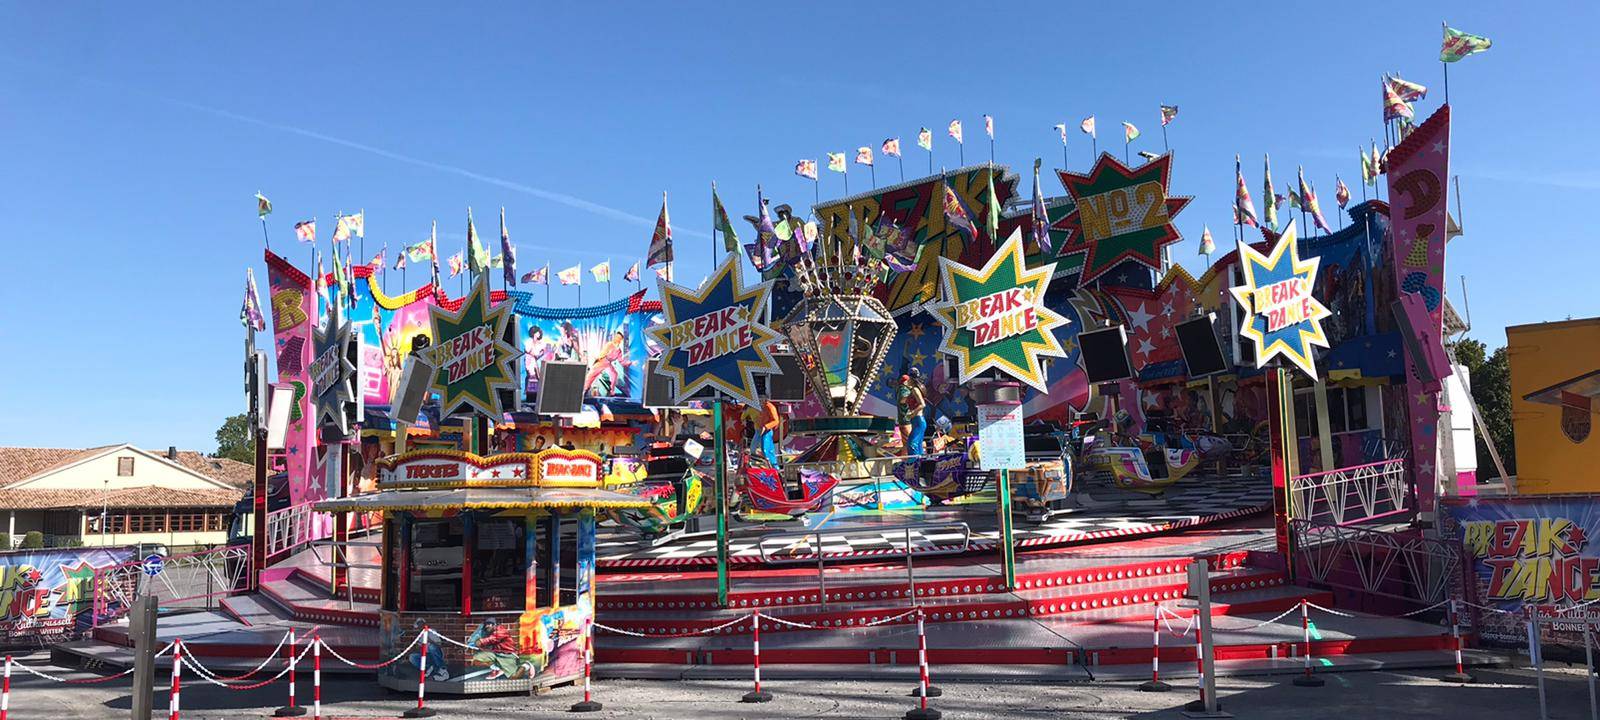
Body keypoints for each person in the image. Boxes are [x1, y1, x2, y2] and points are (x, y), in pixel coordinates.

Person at [900, 370, 928, 456]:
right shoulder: (912, 390)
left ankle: (913, 463)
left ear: (911, 379)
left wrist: (913, 413)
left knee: (912, 444)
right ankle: (920, 463)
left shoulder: (915, 389)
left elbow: (922, 404)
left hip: (918, 419)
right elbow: (902, 401)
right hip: (916, 421)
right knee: (918, 444)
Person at [758, 399, 783, 467]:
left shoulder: (770, 407)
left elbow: (776, 420)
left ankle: (773, 467)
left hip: (767, 431)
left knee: (766, 450)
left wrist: (766, 427)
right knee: (765, 450)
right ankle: (772, 467)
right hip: (763, 430)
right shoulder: (763, 407)